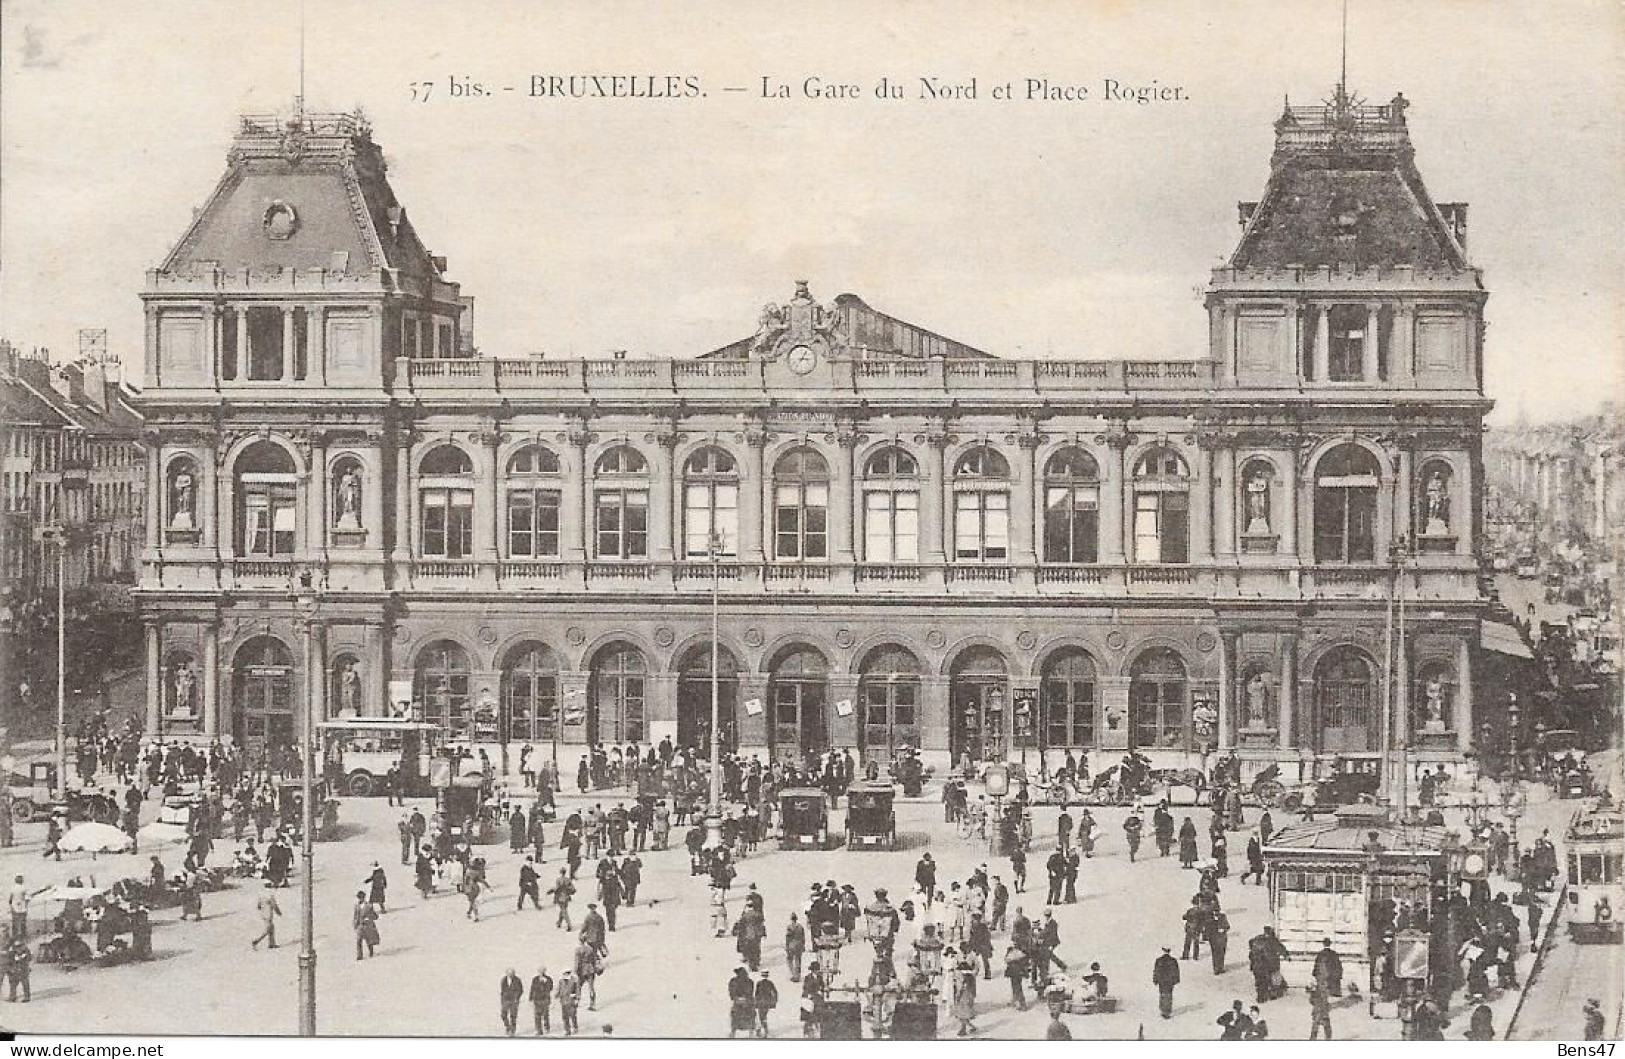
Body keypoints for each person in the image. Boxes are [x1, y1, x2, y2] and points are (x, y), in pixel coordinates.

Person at [950, 950, 978, 1036]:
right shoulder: (970, 977)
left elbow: (961, 987)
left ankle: (963, 1029)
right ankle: (971, 1026)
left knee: (962, 1014)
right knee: (964, 1014)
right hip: (967, 996)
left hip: (963, 996)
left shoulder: (964, 977)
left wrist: (958, 995)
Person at [251, 883, 282, 949]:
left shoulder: (261, 894)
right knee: (267, 929)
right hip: (268, 914)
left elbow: (258, 905)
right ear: (270, 886)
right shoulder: (270, 895)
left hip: (263, 913)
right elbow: (274, 905)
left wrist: (261, 908)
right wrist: (279, 912)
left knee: (272, 927)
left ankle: (272, 944)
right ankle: (256, 941)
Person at [1152, 946, 1180, 1019]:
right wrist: (1176, 980)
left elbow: (1156, 971)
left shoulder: (1159, 960)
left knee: (1162, 994)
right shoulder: (1173, 960)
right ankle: (1167, 1010)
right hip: (1170, 981)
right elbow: (1176, 971)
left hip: (1162, 981)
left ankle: (1163, 1009)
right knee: (1169, 995)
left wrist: (1155, 980)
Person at [728, 966, 757, 1037]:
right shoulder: (750, 981)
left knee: (735, 1016)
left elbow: (731, 991)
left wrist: (735, 998)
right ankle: (751, 1032)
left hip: (739, 1001)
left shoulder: (733, 981)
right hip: (747, 1001)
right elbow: (750, 991)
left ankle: (733, 1033)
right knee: (750, 1016)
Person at [353, 890, 379, 960]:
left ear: (364, 897)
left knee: (368, 940)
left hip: (368, 925)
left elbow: (375, 915)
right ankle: (359, 955)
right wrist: (355, 924)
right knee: (359, 940)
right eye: (359, 897)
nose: (360, 899)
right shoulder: (357, 906)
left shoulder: (368, 905)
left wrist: (370, 918)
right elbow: (355, 915)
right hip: (360, 925)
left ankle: (371, 952)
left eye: (361, 897)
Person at [499, 968, 525, 1037]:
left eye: (512, 973)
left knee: (513, 1016)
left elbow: (521, 990)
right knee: (503, 1014)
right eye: (509, 973)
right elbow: (502, 990)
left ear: (514, 974)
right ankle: (507, 1027)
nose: (510, 975)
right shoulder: (504, 980)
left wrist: (517, 998)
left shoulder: (517, 980)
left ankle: (512, 1030)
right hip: (505, 1000)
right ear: (506, 973)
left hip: (514, 1000)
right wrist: (502, 999)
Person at [529, 966, 554, 1036]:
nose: (541, 972)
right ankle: (539, 1030)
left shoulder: (548, 979)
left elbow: (551, 988)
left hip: (545, 999)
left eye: (543, 971)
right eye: (540, 971)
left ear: (545, 971)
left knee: (545, 1014)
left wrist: (546, 982)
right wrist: (530, 998)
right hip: (537, 999)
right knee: (537, 1015)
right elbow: (532, 988)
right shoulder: (535, 979)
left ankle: (547, 1028)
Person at [5, 937, 30, 1003]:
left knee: (25, 982)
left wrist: (22, 957)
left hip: (23, 967)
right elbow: (9, 957)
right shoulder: (12, 949)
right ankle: (12, 997)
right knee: (13, 983)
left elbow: (29, 957)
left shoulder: (25, 948)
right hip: (15, 968)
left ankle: (27, 997)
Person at [754, 970, 779, 1038]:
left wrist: (755, 1002)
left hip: (760, 1002)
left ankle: (763, 1031)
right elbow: (775, 993)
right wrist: (774, 1001)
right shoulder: (770, 983)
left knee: (761, 1017)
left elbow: (756, 994)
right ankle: (762, 1031)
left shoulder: (759, 983)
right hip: (767, 1002)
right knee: (763, 1017)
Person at [557, 969, 581, 1036]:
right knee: (565, 1017)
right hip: (564, 1001)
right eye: (564, 973)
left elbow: (578, 990)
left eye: (567, 973)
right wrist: (556, 995)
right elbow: (558, 989)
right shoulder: (561, 981)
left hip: (572, 1001)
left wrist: (577, 999)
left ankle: (575, 1027)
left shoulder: (574, 980)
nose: (565, 974)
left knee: (573, 1015)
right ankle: (567, 1030)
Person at [785, 912, 806, 982]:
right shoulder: (800, 927)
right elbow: (803, 937)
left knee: (789, 960)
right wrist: (803, 945)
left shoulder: (789, 927)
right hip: (799, 945)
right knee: (798, 961)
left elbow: (788, 938)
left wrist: (786, 946)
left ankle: (794, 974)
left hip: (792, 945)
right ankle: (798, 975)